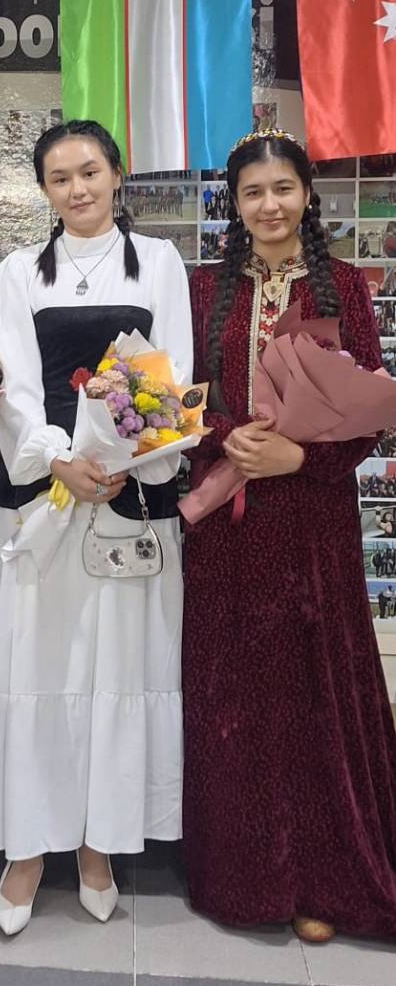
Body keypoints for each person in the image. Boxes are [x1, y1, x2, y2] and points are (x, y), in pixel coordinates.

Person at [0, 119, 192, 935]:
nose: (77, 188)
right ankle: (27, 851)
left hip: (129, 496)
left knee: (114, 671)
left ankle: (100, 844)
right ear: (44, 188)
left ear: (117, 174)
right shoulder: (19, 271)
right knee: (34, 668)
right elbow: (14, 387)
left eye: (90, 171)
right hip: (43, 496)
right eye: (60, 177)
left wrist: (126, 456)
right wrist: (61, 459)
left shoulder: (159, 263)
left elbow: (173, 376)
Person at [184, 130, 396, 943]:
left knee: (311, 693)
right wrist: (225, 438)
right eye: (252, 192)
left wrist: (300, 455)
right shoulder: (206, 288)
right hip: (227, 520)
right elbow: (182, 397)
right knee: (233, 693)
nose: (268, 205)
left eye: (282, 188)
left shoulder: (343, 285)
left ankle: (318, 877)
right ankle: (240, 872)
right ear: (233, 204)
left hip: (312, 522)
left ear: (307, 194)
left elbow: (369, 408)